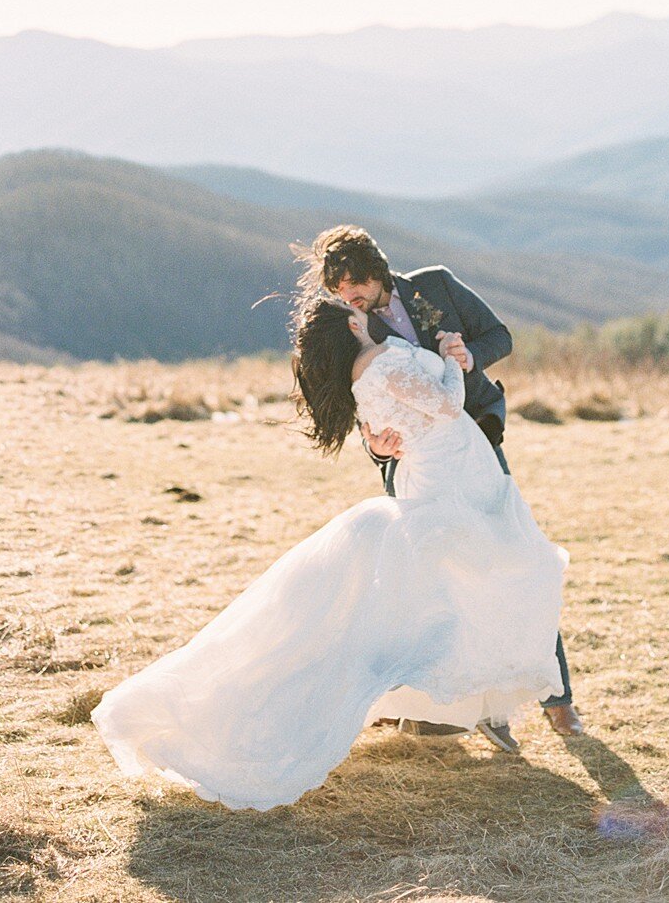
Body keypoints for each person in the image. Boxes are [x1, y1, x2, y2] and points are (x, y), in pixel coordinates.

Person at [90, 296, 567, 812]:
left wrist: (396, 430)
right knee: (488, 579)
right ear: (350, 323)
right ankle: (452, 706)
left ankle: (468, 708)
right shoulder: (377, 363)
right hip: (445, 480)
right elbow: (448, 406)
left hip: (455, 473)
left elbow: (407, 420)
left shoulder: (372, 365)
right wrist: (452, 360)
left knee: (465, 589)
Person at [301, 224, 583, 749]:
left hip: (474, 444)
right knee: (427, 585)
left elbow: (500, 335)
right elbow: (363, 400)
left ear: (377, 269)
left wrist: (468, 358)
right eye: (337, 288)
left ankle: (557, 701)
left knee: (512, 557)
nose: (348, 295)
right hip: (414, 464)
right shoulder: (353, 328)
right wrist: (378, 447)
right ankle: (441, 705)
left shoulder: (437, 285)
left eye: (354, 282)